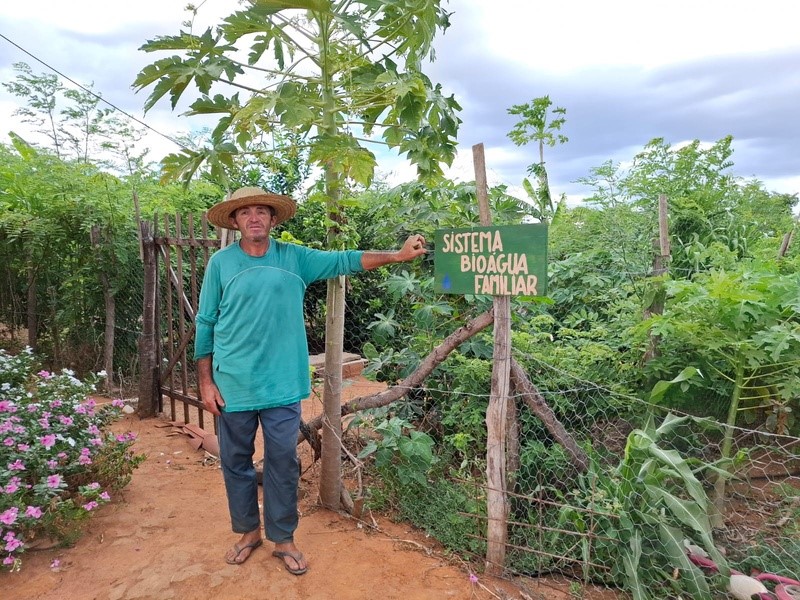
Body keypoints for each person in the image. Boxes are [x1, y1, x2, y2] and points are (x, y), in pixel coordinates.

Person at [194, 187, 427, 574]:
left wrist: (398, 255)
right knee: (236, 461)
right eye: (245, 213)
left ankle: (282, 538)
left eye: (261, 212)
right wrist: (205, 381)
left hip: (282, 383)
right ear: (235, 222)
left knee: (283, 461)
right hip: (232, 382)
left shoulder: (294, 258)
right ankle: (248, 531)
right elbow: (206, 322)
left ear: (273, 220)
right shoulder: (221, 264)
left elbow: (347, 260)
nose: (254, 218)